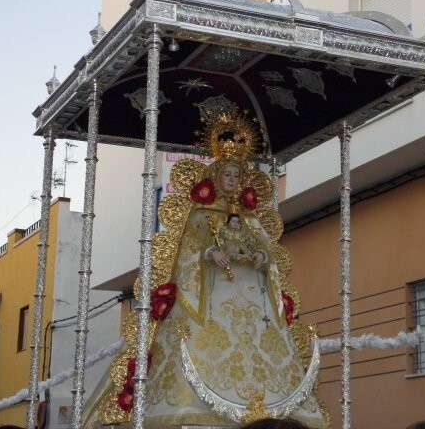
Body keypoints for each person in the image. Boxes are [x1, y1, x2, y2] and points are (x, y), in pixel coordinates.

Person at [85, 104, 326, 428]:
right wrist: (210, 254)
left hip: (256, 308)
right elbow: (186, 255)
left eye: (237, 176)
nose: (232, 180)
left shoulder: (252, 220)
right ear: (216, 176)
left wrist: (263, 259)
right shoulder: (200, 215)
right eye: (227, 174)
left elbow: (268, 252)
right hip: (209, 302)